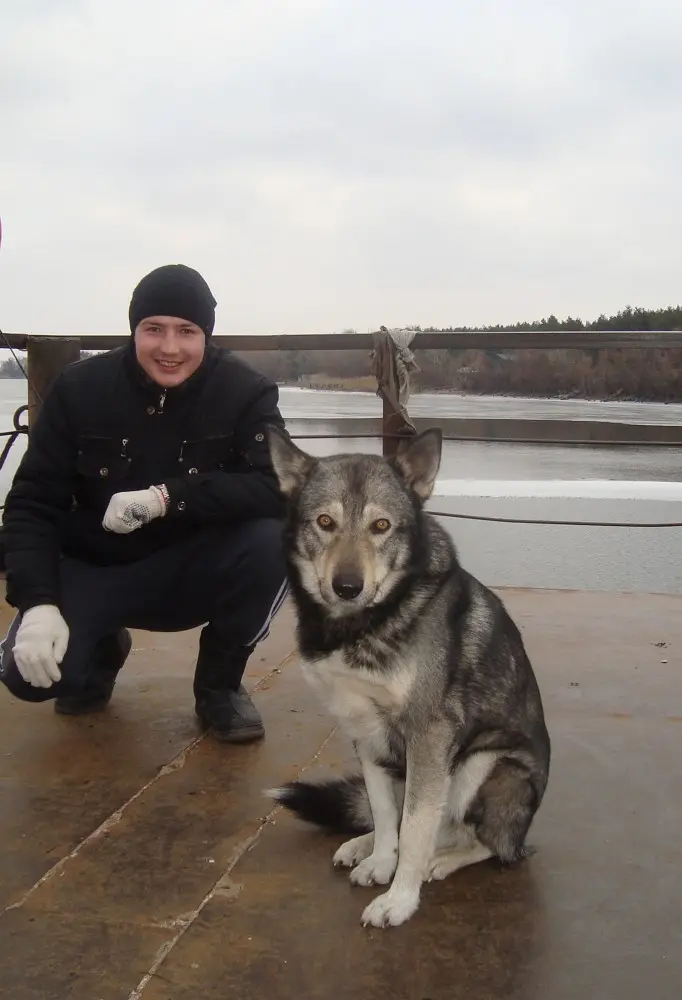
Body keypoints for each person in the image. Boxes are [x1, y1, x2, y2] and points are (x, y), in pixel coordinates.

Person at [0, 264, 290, 744]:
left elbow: (278, 484)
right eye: (153, 329)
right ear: (134, 330)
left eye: (186, 331)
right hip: (97, 566)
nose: (169, 348)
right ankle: (98, 652)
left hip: (192, 570)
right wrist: (36, 603)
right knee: (27, 676)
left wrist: (168, 498)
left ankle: (219, 683)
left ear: (206, 336)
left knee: (276, 538)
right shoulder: (78, 388)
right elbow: (33, 503)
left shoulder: (246, 391)